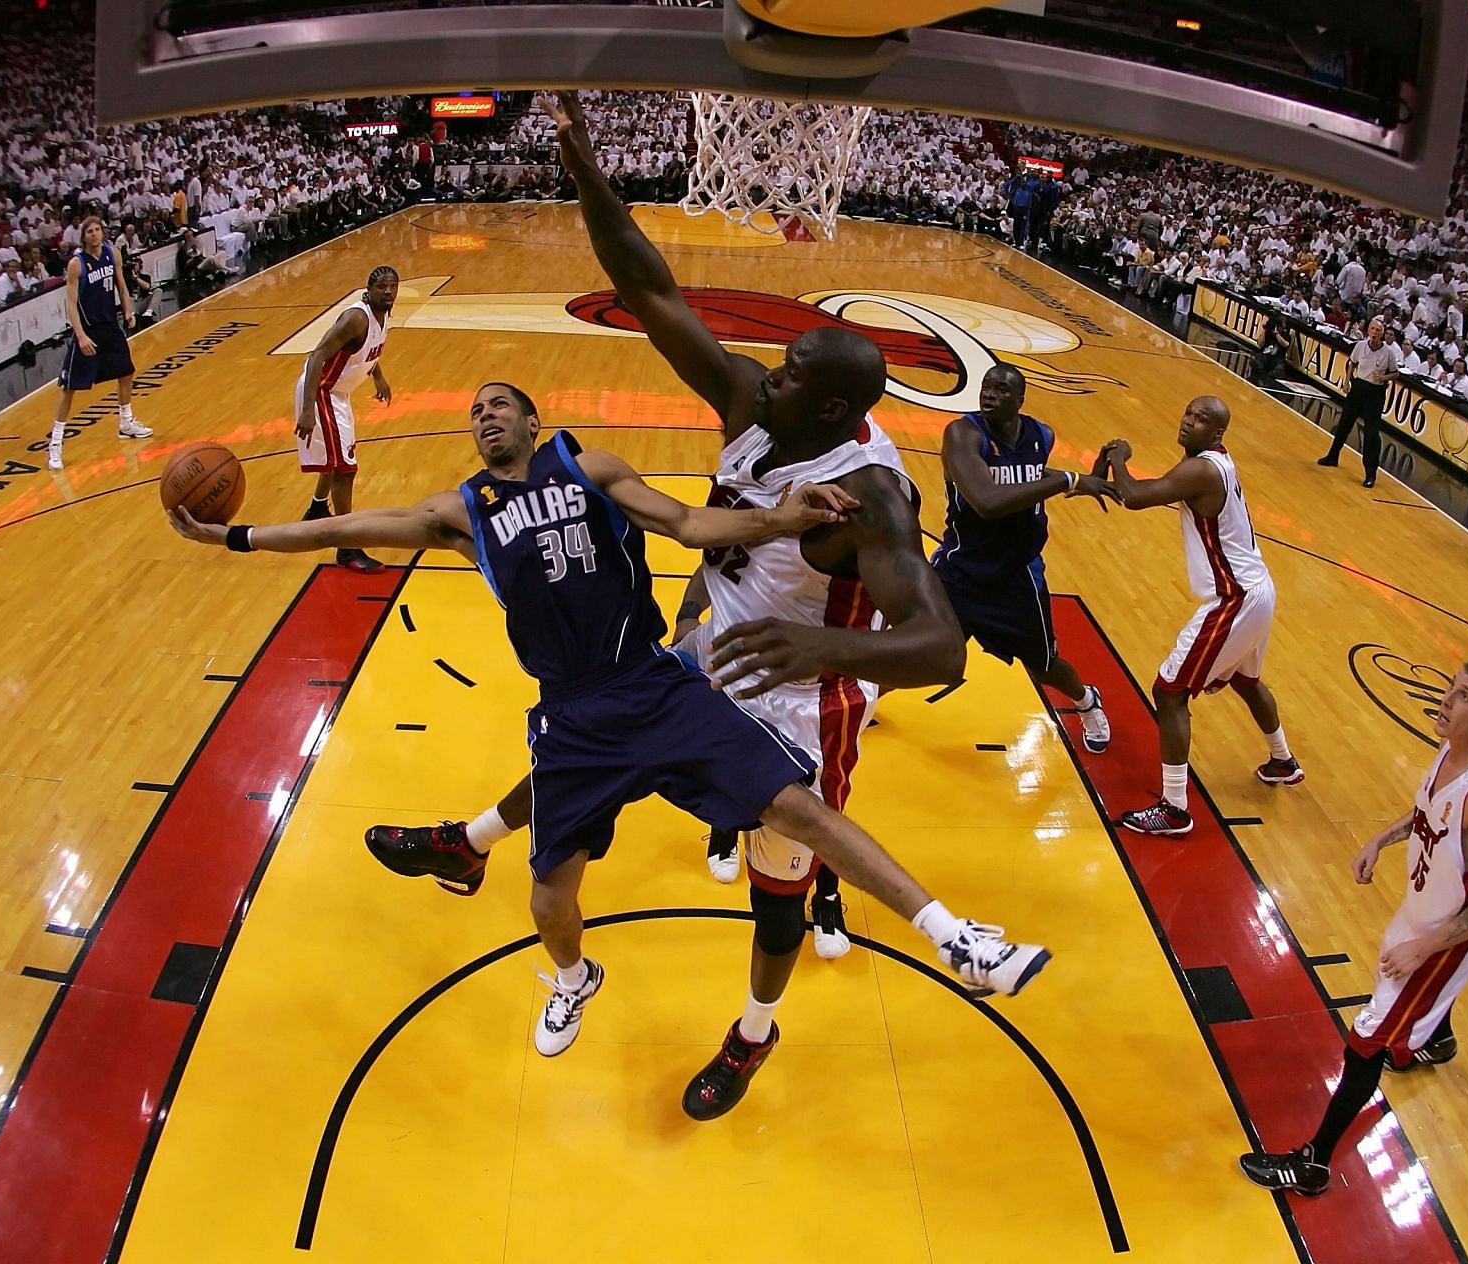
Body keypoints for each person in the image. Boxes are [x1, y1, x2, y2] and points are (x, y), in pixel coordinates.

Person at [168, 380, 1052, 1119]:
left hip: (652, 683)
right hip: (573, 719)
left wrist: (783, 517)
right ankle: (572, 974)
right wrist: (234, 538)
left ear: (533, 425)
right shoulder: (459, 512)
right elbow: (336, 532)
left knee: (797, 808)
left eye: (501, 406)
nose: (485, 417)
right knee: (549, 903)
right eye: (477, 410)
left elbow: (690, 526)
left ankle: (955, 934)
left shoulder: (586, 468)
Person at [374, 90, 1008, 1075]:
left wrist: (824, 648)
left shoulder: (872, 495)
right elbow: (654, 291)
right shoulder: (758, 403)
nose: (766, 372)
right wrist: (590, 181)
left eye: (792, 371)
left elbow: (940, 646)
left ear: (834, 407)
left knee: (775, 896)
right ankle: (471, 839)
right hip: (718, 644)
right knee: (588, 724)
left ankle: (754, 1032)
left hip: (803, 693)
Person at [1240, 658, 1468, 1197]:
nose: (1447, 700)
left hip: (1449, 933)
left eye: (1464, 697)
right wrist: (1381, 840)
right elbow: (1427, 815)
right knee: (1411, 1006)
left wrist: (1425, 948)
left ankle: (1312, 1164)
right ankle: (1435, 1038)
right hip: (1425, 911)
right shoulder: (1448, 750)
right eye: (1451, 688)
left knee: (1368, 1042)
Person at [1098, 397, 1302, 836]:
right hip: (1258, 588)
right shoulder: (1212, 462)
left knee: (1169, 691)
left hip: (1234, 598)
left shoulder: (1202, 470)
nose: (1188, 421)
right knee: (1246, 681)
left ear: (1218, 434)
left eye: (1200, 420)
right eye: (1187, 413)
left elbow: (1133, 497)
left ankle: (1174, 809)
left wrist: (1119, 458)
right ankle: (1282, 760)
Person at [933, 363, 1115, 756]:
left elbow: (1027, 472)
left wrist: (1082, 480)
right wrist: (1068, 480)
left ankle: (1086, 701)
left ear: (1020, 400)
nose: (990, 394)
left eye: (1001, 389)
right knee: (923, 650)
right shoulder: (963, 434)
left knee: (1045, 666)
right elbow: (986, 501)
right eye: (986, 387)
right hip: (960, 570)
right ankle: (858, 701)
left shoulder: (1040, 435)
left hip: (1017, 577)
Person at [295, 265, 398, 573]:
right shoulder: (355, 318)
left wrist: (378, 376)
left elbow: (365, 353)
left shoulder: (383, 314)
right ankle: (347, 548)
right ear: (369, 289)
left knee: (335, 458)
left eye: (393, 286)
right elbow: (317, 356)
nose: (388, 292)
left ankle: (316, 509)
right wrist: (307, 409)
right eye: (382, 286)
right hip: (322, 392)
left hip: (338, 394)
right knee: (345, 470)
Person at [46, 217, 150, 470]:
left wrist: (128, 311)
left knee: (127, 371)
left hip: (109, 326)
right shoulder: (76, 264)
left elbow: (122, 286)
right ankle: (55, 444)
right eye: (89, 231)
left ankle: (126, 422)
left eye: (97, 230)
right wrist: (80, 336)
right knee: (69, 387)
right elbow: (70, 304)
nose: (94, 234)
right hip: (88, 329)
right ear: (83, 237)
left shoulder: (112, 253)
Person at [1317, 315, 1399, 489]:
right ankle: (1333, 456)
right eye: (1372, 329)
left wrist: (1384, 377)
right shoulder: (1360, 346)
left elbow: (1396, 373)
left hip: (1375, 393)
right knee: (1344, 424)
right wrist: (1347, 382)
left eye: (1378, 330)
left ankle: (1370, 473)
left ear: (1382, 334)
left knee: (1371, 434)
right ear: (1368, 330)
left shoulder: (1388, 353)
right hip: (1358, 388)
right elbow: (1351, 363)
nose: (1374, 333)